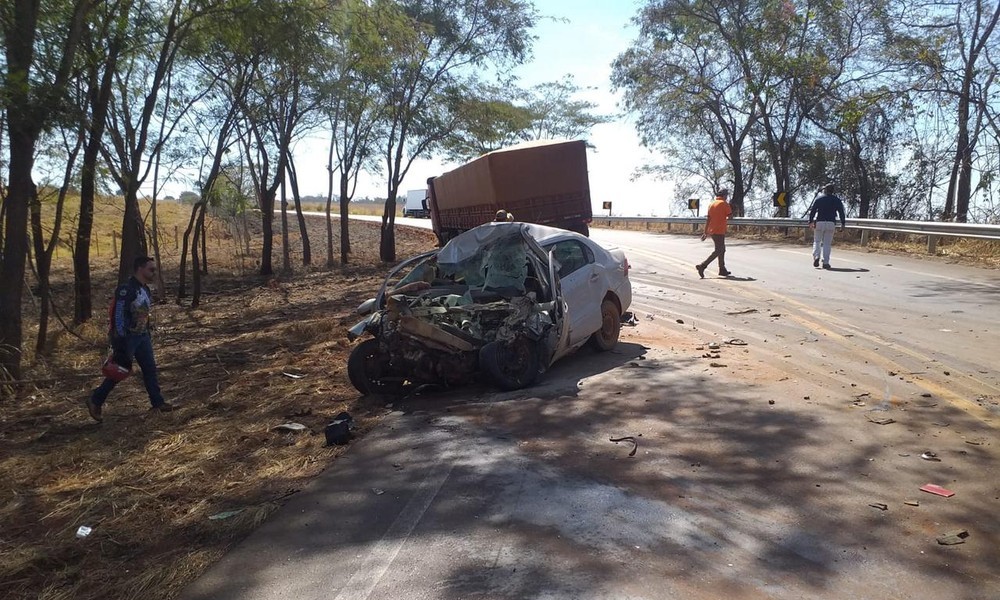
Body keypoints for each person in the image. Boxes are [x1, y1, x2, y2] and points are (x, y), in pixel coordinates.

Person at [85, 256, 174, 422]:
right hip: (127, 337)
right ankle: (95, 399)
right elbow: (117, 314)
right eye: (151, 269)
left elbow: (143, 314)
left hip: (142, 336)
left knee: (150, 369)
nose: (154, 272)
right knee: (119, 371)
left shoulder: (145, 289)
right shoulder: (126, 289)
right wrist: (120, 339)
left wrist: (147, 331)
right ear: (140, 269)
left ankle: (157, 402)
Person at [695, 189, 733, 278]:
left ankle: (722, 269)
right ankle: (702, 266)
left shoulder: (712, 204)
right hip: (719, 230)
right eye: (726, 195)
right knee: (719, 250)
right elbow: (730, 216)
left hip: (712, 231)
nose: (727, 197)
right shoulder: (724, 204)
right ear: (724, 195)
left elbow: (708, 218)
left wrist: (705, 232)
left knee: (722, 249)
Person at [807, 184, 847, 269]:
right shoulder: (837, 200)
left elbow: (813, 211)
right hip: (831, 223)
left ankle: (817, 256)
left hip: (820, 222)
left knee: (817, 241)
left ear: (825, 190)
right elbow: (841, 212)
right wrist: (843, 223)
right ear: (833, 191)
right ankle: (826, 262)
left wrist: (810, 221)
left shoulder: (819, 199)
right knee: (827, 244)